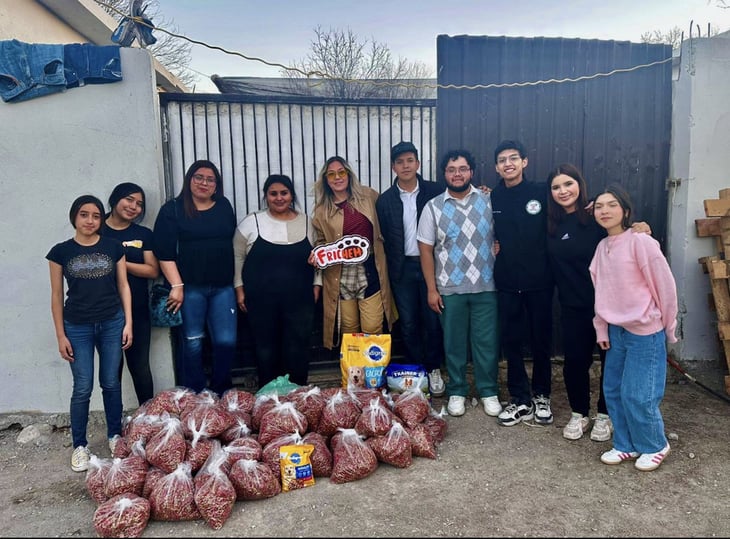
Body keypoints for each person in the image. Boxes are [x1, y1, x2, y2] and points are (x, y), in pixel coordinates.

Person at [589, 183, 677, 472]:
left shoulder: (641, 242)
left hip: (645, 332)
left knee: (639, 394)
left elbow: (664, 286)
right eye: (599, 206)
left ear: (625, 210)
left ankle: (654, 444)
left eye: (611, 204)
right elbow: (601, 290)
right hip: (616, 332)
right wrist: (601, 328)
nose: (605, 210)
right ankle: (625, 443)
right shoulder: (602, 248)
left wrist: (668, 326)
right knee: (613, 390)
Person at [47, 195, 133, 472]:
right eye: (84, 215)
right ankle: (79, 445)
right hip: (77, 326)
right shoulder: (60, 252)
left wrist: (128, 323)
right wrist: (61, 335)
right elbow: (57, 294)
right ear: (74, 217)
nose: (90, 221)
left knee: (110, 382)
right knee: (82, 387)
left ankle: (114, 436)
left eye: (96, 216)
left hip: (111, 322)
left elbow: (123, 286)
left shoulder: (113, 247)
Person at [417, 149, 502, 418]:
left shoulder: (489, 199)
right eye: (452, 169)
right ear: (444, 174)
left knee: (486, 343)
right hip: (449, 289)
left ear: (471, 172)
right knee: (453, 344)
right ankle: (457, 391)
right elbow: (426, 250)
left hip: (486, 285)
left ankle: (488, 391)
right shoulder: (433, 207)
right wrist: (432, 289)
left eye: (463, 169)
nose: (457, 174)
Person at [152, 159, 237, 396]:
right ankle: (195, 394)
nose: (204, 183)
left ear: (216, 185)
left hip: (223, 287)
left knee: (226, 342)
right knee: (192, 341)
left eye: (210, 179)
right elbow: (164, 252)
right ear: (189, 179)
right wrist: (177, 286)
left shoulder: (223, 206)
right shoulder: (173, 209)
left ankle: (221, 390)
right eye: (199, 177)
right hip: (189, 289)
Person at [546, 164, 612, 441]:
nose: (563, 191)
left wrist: (642, 226)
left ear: (579, 185)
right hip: (573, 305)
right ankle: (579, 413)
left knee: (611, 362)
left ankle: (606, 415)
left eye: (568, 184)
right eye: (556, 187)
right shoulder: (550, 224)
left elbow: (625, 230)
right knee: (575, 361)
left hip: (608, 305)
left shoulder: (596, 216)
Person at [490, 139, 554, 426]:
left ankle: (542, 395)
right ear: (496, 167)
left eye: (513, 158)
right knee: (511, 342)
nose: (508, 163)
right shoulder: (491, 198)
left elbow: (573, 207)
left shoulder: (541, 192)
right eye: (502, 160)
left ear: (524, 162)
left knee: (541, 342)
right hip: (506, 281)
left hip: (540, 280)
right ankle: (520, 399)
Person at [234, 174, 319, 387]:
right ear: (266, 196)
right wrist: (239, 288)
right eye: (273, 194)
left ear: (291, 195)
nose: (279, 198)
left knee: (297, 346)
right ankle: (268, 396)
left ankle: (298, 394)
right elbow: (237, 256)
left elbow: (319, 255)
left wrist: (317, 284)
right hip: (260, 300)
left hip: (300, 299)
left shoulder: (308, 223)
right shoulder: (251, 222)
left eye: (284, 193)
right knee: (265, 347)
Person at [376, 141, 446, 397]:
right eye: (399, 162)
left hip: (432, 266)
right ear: (393, 167)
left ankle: (433, 368)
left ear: (417, 163)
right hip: (402, 268)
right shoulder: (385, 200)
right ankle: (416, 371)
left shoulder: (436, 191)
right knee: (407, 323)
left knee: (432, 320)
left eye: (409, 160)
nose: (405, 166)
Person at [310, 155, 396, 350]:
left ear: (349, 174)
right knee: (349, 328)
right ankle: (355, 376)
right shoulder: (321, 211)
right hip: (340, 273)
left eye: (341, 172)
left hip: (370, 268)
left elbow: (390, 212)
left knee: (373, 325)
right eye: (331, 174)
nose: (337, 177)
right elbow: (321, 241)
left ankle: (373, 374)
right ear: (325, 179)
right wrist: (318, 253)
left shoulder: (369, 196)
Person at [101, 182, 159, 406]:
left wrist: (120, 262)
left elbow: (152, 270)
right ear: (115, 198)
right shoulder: (97, 229)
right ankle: (114, 424)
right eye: (129, 199)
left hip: (137, 310)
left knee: (140, 367)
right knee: (111, 370)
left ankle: (149, 419)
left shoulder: (143, 233)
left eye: (139, 204)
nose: (134, 207)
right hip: (103, 310)